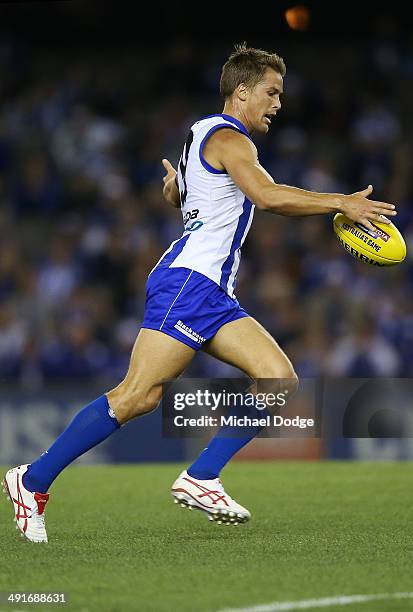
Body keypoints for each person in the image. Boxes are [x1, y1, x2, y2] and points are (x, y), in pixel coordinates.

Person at [3, 44, 397, 542]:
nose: (278, 104)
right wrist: (340, 202)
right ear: (242, 91)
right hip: (188, 283)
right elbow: (266, 195)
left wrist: (178, 192)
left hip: (210, 291)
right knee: (134, 397)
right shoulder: (232, 140)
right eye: (271, 93)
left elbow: (194, 202)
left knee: (277, 378)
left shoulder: (201, 136)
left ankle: (202, 475)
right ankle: (31, 481)